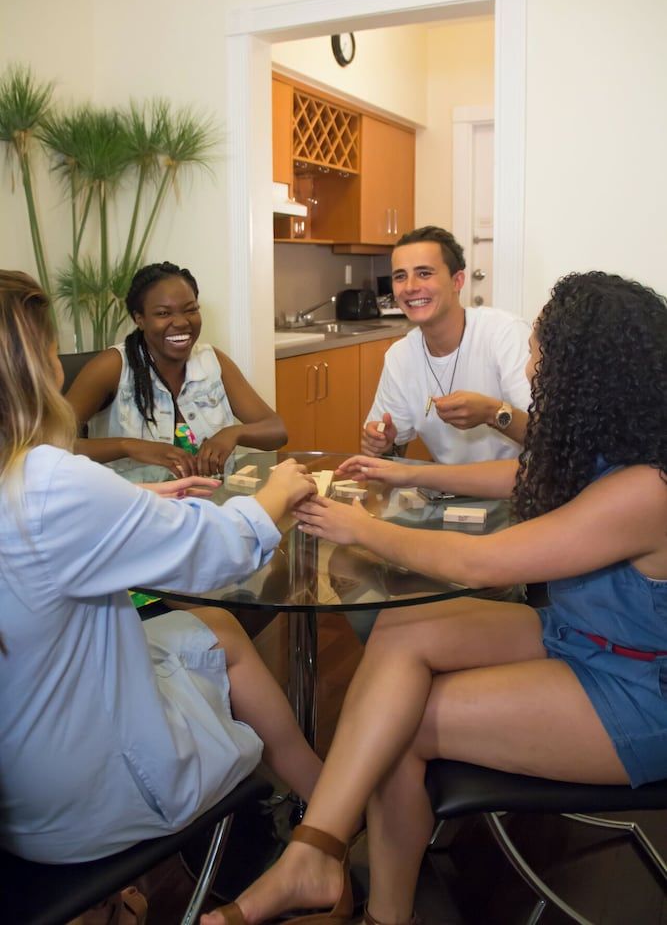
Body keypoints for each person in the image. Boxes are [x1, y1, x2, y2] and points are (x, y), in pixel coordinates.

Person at [202, 271, 667, 925]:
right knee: (402, 628)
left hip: (638, 688)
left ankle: (372, 907)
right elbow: (517, 472)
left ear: (589, 366)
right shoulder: (614, 447)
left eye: (543, 350)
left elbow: (478, 564)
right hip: (580, 636)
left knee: (403, 722)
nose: (531, 362)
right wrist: (404, 469)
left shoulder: (647, 489)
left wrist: (359, 526)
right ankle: (316, 856)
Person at [0, 269, 323, 866]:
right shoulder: (55, 478)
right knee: (219, 637)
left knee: (220, 630)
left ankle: (326, 812)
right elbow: (218, 549)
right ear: (31, 369)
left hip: (20, 783)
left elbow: (41, 531)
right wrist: (279, 491)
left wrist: (147, 500)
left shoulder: (21, 477)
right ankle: (325, 825)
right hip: (82, 797)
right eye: (50, 350)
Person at [66, 261, 287, 483]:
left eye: (191, 310)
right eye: (163, 313)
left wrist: (232, 434)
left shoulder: (213, 362)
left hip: (212, 504)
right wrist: (128, 446)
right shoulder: (112, 367)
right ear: (139, 319)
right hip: (136, 510)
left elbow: (276, 430)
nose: (181, 322)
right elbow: (48, 442)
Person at [362, 225, 531, 463]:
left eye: (424, 273)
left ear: (457, 281)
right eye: (400, 276)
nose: (410, 287)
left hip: (521, 489)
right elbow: (388, 455)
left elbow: (551, 437)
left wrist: (491, 413)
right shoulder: (399, 357)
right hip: (449, 491)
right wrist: (383, 444)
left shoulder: (505, 334)